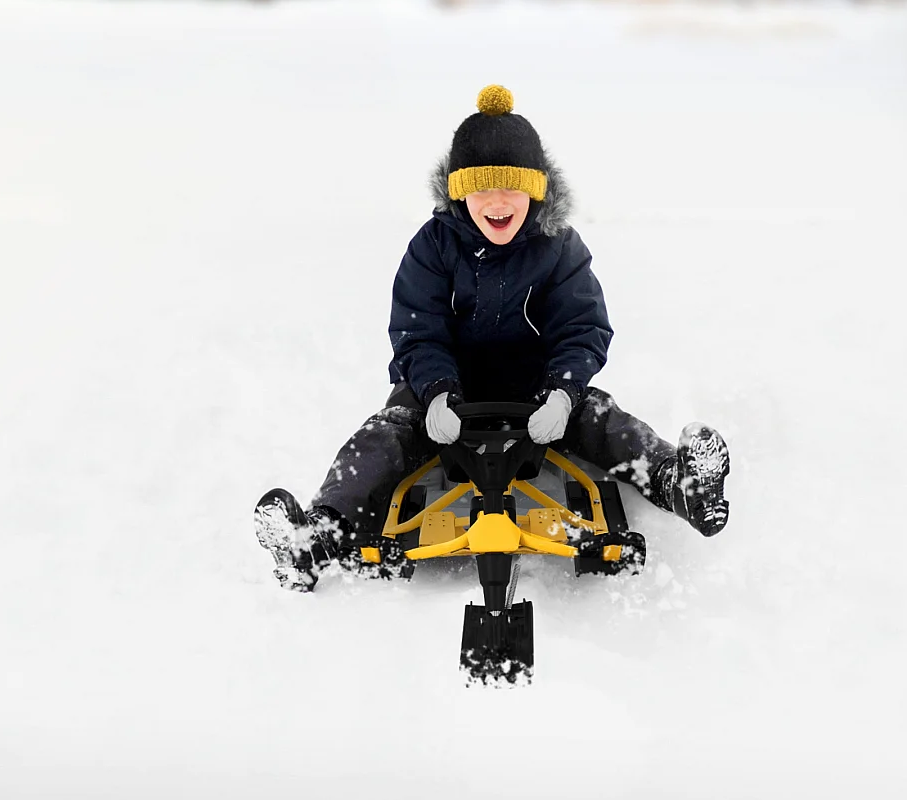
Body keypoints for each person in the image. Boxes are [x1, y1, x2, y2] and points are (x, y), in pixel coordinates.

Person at [253, 85, 730, 591]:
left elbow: (582, 327)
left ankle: (679, 484)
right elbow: (418, 330)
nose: (498, 203)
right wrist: (436, 393)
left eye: (512, 188)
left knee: (603, 420)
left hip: (537, 393)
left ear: (536, 190)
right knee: (384, 437)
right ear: (459, 192)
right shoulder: (432, 247)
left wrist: (564, 394)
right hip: (443, 399)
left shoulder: (559, 247)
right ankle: (318, 534)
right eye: (482, 188)